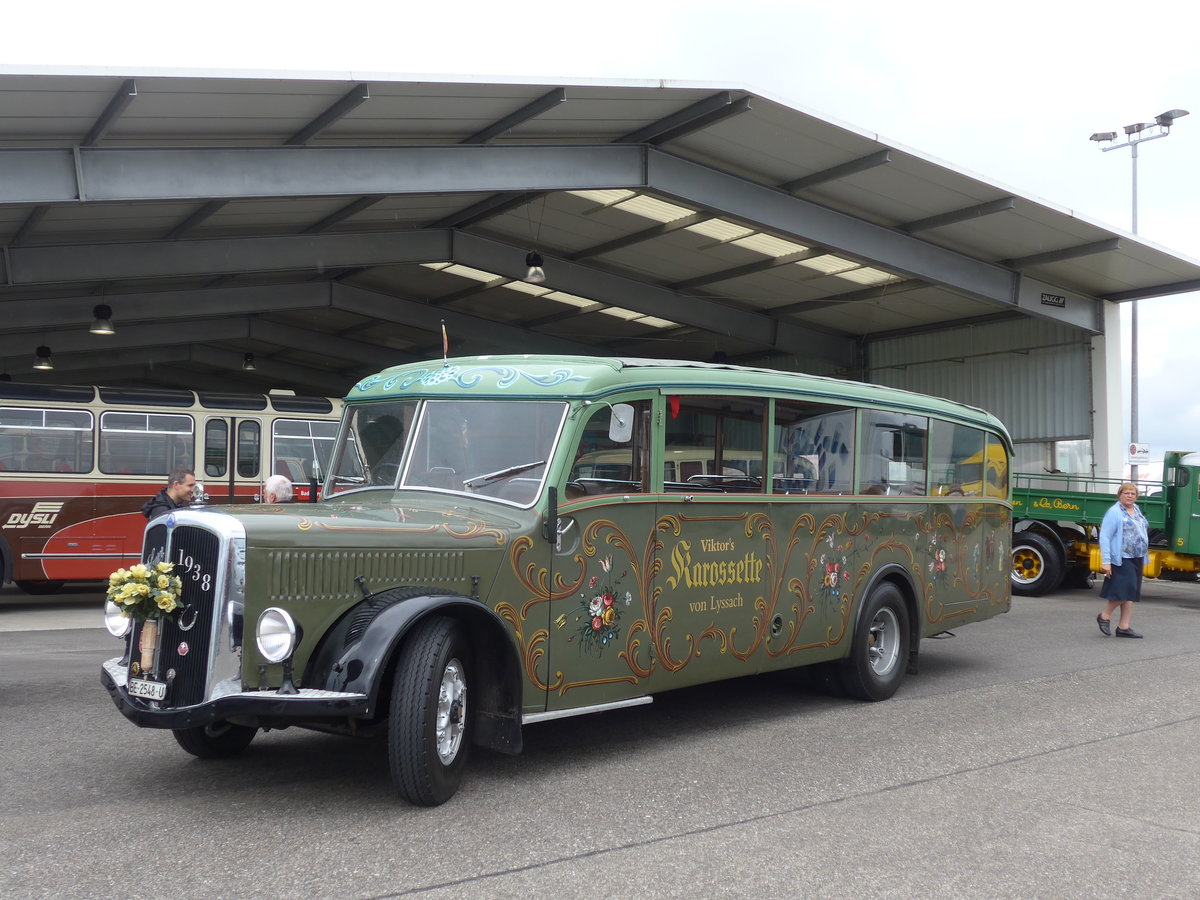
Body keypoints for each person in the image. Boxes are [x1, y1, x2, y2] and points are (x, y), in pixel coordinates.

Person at [1096, 482, 1149, 638]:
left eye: (1133, 494)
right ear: (1120, 495)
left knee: (1131, 592)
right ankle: (1104, 616)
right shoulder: (1114, 512)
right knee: (1124, 590)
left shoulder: (1136, 509)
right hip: (1122, 557)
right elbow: (1105, 537)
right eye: (1126, 493)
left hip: (1137, 556)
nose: (1130, 496)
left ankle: (1123, 627)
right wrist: (1106, 561)